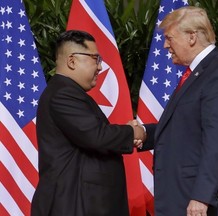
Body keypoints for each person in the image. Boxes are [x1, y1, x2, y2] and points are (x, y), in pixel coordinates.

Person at [136, 6, 218, 216]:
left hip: (202, 203)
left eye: (169, 38)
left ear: (191, 37)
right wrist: (144, 132)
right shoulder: (199, 72)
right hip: (183, 196)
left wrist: (201, 196)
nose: (165, 44)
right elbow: (185, 128)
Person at [31, 30, 145, 216]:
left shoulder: (68, 92)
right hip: (73, 206)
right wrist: (133, 133)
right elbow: (97, 136)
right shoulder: (63, 94)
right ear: (72, 61)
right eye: (95, 58)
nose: (100, 67)